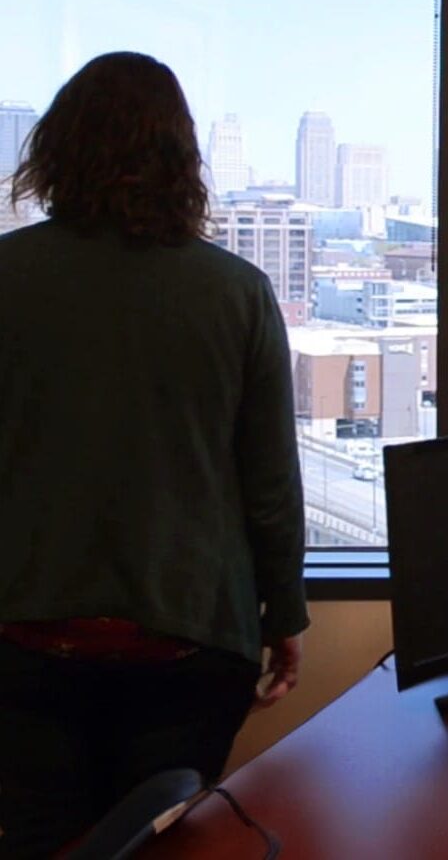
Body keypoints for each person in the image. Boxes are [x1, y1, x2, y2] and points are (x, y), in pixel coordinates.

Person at [0, 51, 307, 857]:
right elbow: (270, 486)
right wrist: (286, 617)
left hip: (25, 641)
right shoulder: (238, 293)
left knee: (39, 842)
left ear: (57, 149)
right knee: (167, 842)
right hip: (190, 640)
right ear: (182, 158)